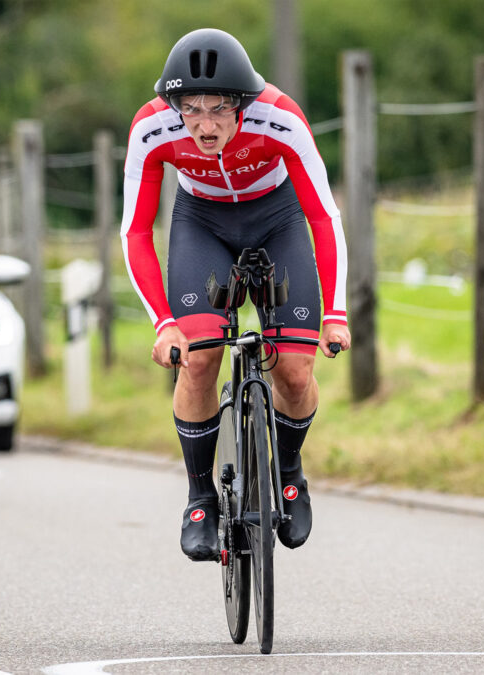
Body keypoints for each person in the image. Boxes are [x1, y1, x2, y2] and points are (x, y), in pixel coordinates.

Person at [121, 28, 351, 561]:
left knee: (294, 371)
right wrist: (164, 322)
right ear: (173, 104)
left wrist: (335, 312)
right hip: (201, 224)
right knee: (197, 361)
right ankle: (200, 499)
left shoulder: (281, 116)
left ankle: (289, 473)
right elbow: (135, 231)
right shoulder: (151, 126)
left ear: (242, 103)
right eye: (191, 108)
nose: (203, 124)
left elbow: (323, 214)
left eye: (219, 109)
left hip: (278, 218)